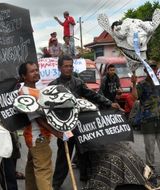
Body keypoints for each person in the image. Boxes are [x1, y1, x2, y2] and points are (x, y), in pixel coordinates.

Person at [49, 55, 121, 190]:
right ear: (59, 67)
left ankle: (85, 179)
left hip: (81, 124)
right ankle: (56, 184)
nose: (69, 68)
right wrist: (55, 127)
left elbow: (93, 95)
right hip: (64, 127)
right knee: (64, 156)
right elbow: (47, 109)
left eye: (71, 66)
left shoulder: (78, 82)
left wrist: (110, 103)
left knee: (85, 153)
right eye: (66, 66)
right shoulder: (52, 86)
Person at [18, 61, 63, 190]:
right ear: (23, 76)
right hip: (37, 136)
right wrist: (56, 132)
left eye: (36, 70)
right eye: (32, 71)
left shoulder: (35, 90)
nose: (36, 73)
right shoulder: (25, 93)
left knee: (32, 168)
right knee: (44, 170)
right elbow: (37, 118)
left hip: (37, 137)